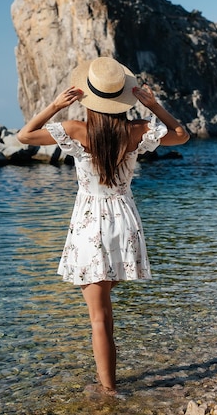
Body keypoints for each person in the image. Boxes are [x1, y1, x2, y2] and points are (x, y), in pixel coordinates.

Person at [17, 57, 189, 395]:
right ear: (122, 98)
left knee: (100, 318)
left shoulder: (76, 130)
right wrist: (155, 106)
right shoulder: (138, 130)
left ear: (89, 99)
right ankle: (109, 384)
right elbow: (181, 136)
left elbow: (25, 136)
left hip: (90, 223)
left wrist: (54, 105)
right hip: (124, 220)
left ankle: (109, 391)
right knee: (106, 307)